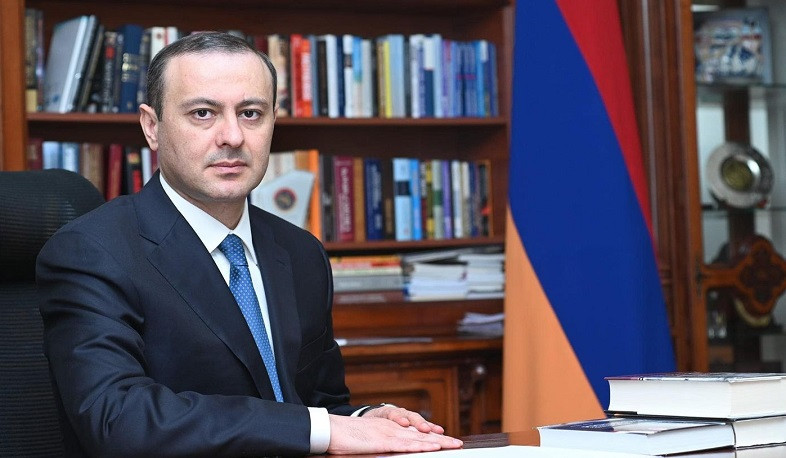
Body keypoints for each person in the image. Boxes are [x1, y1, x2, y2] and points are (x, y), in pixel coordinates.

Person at [36, 31, 463, 457]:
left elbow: (318, 407)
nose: (233, 136)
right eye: (203, 113)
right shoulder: (92, 252)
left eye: (251, 113)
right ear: (152, 127)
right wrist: (323, 427)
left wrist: (363, 420)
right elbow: (117, 418)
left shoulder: (300, 252)